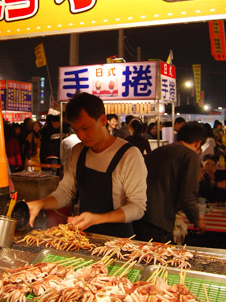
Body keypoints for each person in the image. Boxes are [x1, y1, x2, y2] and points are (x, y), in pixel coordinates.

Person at [27, 92, 147, 237]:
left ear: (103, 120)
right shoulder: (78, 151)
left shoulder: (129, 155)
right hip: (85, 236)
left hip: (118, 239)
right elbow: (65, 192)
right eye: (76, 130)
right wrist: (41, 203)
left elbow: (137, 207)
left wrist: (97, 218)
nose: (81, 136)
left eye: (86, 128)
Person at [133, 122, 207, 243]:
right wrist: (197, 220)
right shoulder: (190, 155)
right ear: (198, 142)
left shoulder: (159, 151)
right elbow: (188, 195)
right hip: (159, 220)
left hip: (138, 215)